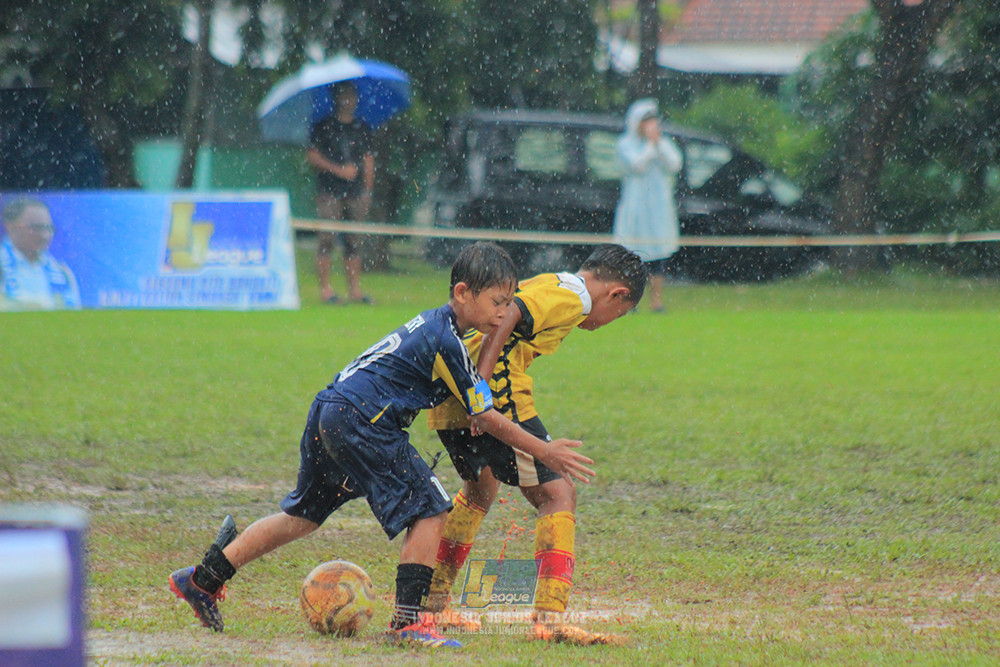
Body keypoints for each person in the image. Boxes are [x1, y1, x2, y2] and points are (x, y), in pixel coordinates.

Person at [167, 242, 596, 649]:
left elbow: (474, 401)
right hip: (362, 420)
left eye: (509, 303)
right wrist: (544, 450)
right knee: (431, 510)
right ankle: (409, 623)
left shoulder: (438, 328)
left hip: (332, 409)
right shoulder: (445, 339)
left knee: (302, 516)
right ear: (463, 293)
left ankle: (203, 578)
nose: (505, 313)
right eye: (498, 302)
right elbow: (482, 415)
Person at [425, 244, 646, 645]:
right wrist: (481, 390)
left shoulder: (555, 282)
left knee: (481, 487)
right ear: (617, 295)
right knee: (558, 492)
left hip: (450, 387)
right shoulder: (574, 296)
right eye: (621, 313)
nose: (611, 320)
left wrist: (472, 387)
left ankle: (434, 602)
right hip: (490, 393)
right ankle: (549, 619)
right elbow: (509, 314)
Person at [307, 82, 375, 305]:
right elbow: (313, 156)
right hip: (330, 192)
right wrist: (339, 171)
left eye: (352, 95)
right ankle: (326, 290)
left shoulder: (362, 127)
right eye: (344, 95)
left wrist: (367, 190)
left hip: (355, 194)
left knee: (354, 242)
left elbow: (368, 160)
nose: (349, 100)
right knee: (326, 240)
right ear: (336, 98)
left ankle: (355, 291)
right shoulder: (323, 126)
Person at [613, 99, 683, 313]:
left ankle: (657, 302)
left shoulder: (664, 143)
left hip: (658, 208)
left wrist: (658, 144)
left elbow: (675, 163)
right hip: (636, 208)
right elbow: (637, 165)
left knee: (659, 256)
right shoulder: (625, 144)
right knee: (633, 255)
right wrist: (651, 146)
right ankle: (631, 301)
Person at [0, 197, 80, 311]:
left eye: (48, 228)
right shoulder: (2, 267)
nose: (44, 235)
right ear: (11, 227)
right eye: (36, 228)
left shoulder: (62, 272)